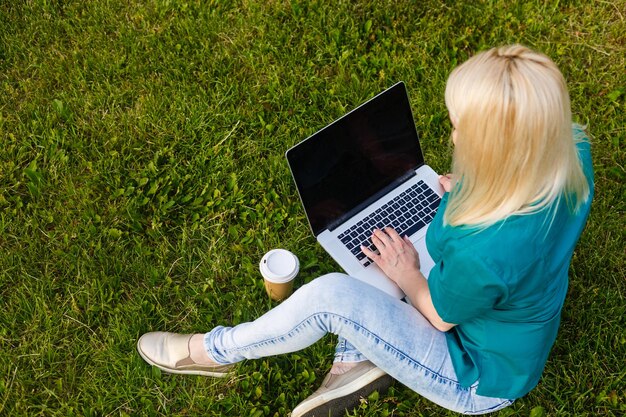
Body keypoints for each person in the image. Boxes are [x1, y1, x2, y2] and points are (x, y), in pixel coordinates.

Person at [137, 45, 594, 416]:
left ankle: (212, 352)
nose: (454, 138)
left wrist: (408, 272)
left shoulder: (485, 248)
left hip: (478, 372)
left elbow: (439, 315)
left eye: (461, 128)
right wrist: (473, 187)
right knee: (376, 261)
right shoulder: (570, 154)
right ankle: (356, 362)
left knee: (333, 295)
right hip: (512, 324)